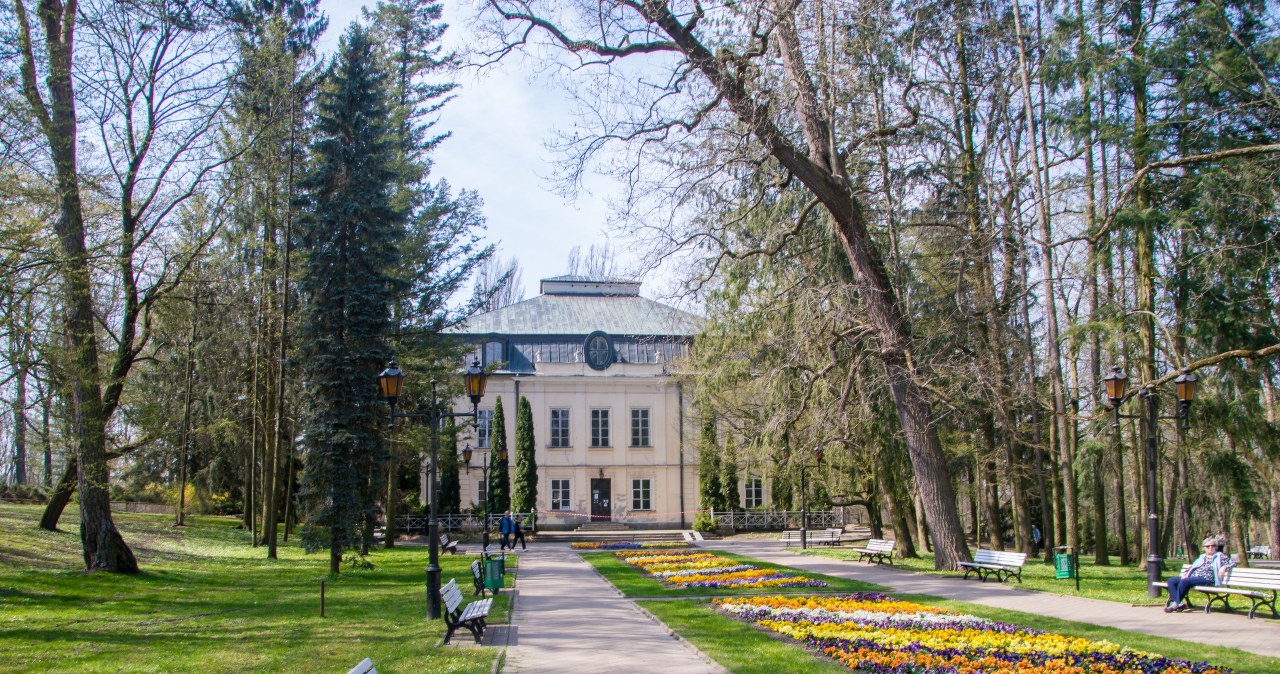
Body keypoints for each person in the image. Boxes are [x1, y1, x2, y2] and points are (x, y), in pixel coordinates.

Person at [1164, 535, 1236, 612]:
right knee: (1171, 581)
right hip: (1193, 577)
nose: (1210, 548)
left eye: (1213, 546)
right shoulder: (1202, 557)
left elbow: (1233, 563)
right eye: (1208, 546)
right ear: (1204, 548)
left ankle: (1175, 605)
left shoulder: (1220, 556)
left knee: (1185, 581)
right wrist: (1185, 573)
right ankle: (1180, 604)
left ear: (1215, 547)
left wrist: (1224, 568)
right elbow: (1193, 566)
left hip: (1207, 579)